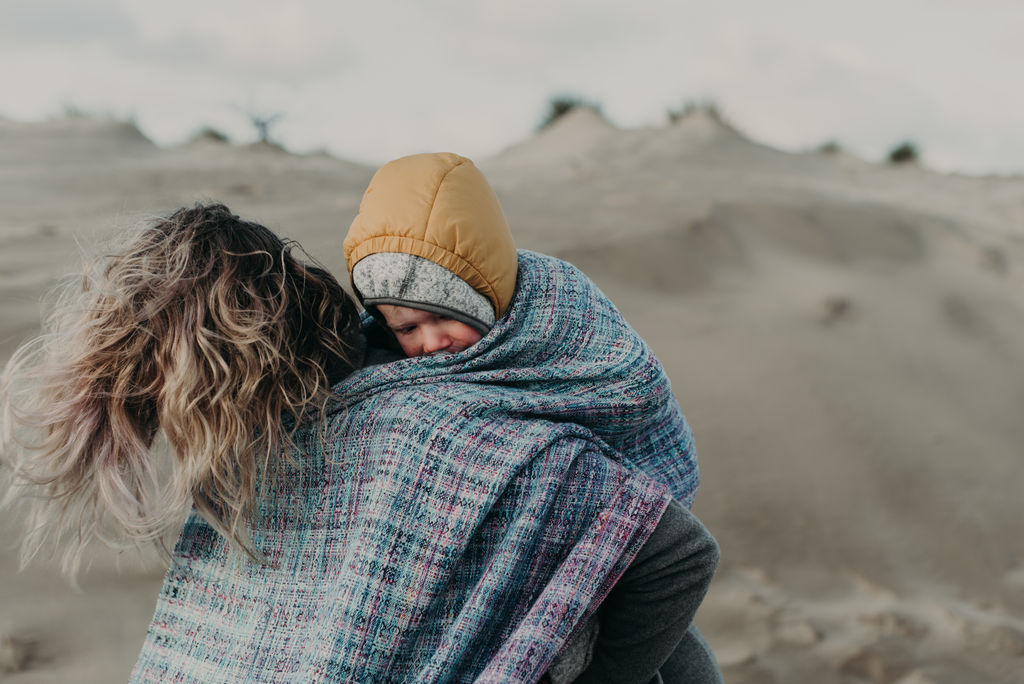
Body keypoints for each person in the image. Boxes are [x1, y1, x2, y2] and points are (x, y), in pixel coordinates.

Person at [1, 202, 717, 682]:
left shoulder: (436, 430)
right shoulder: (283, 436)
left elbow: (676, 552)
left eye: (167, 384)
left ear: (226, 363)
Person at [343, 152, 722, 682]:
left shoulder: (568, 326)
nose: (431, 344)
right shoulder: (385, 384)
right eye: (407, 328)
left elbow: (638, 410)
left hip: (620, 578)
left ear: (487, 294)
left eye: (446, 317)